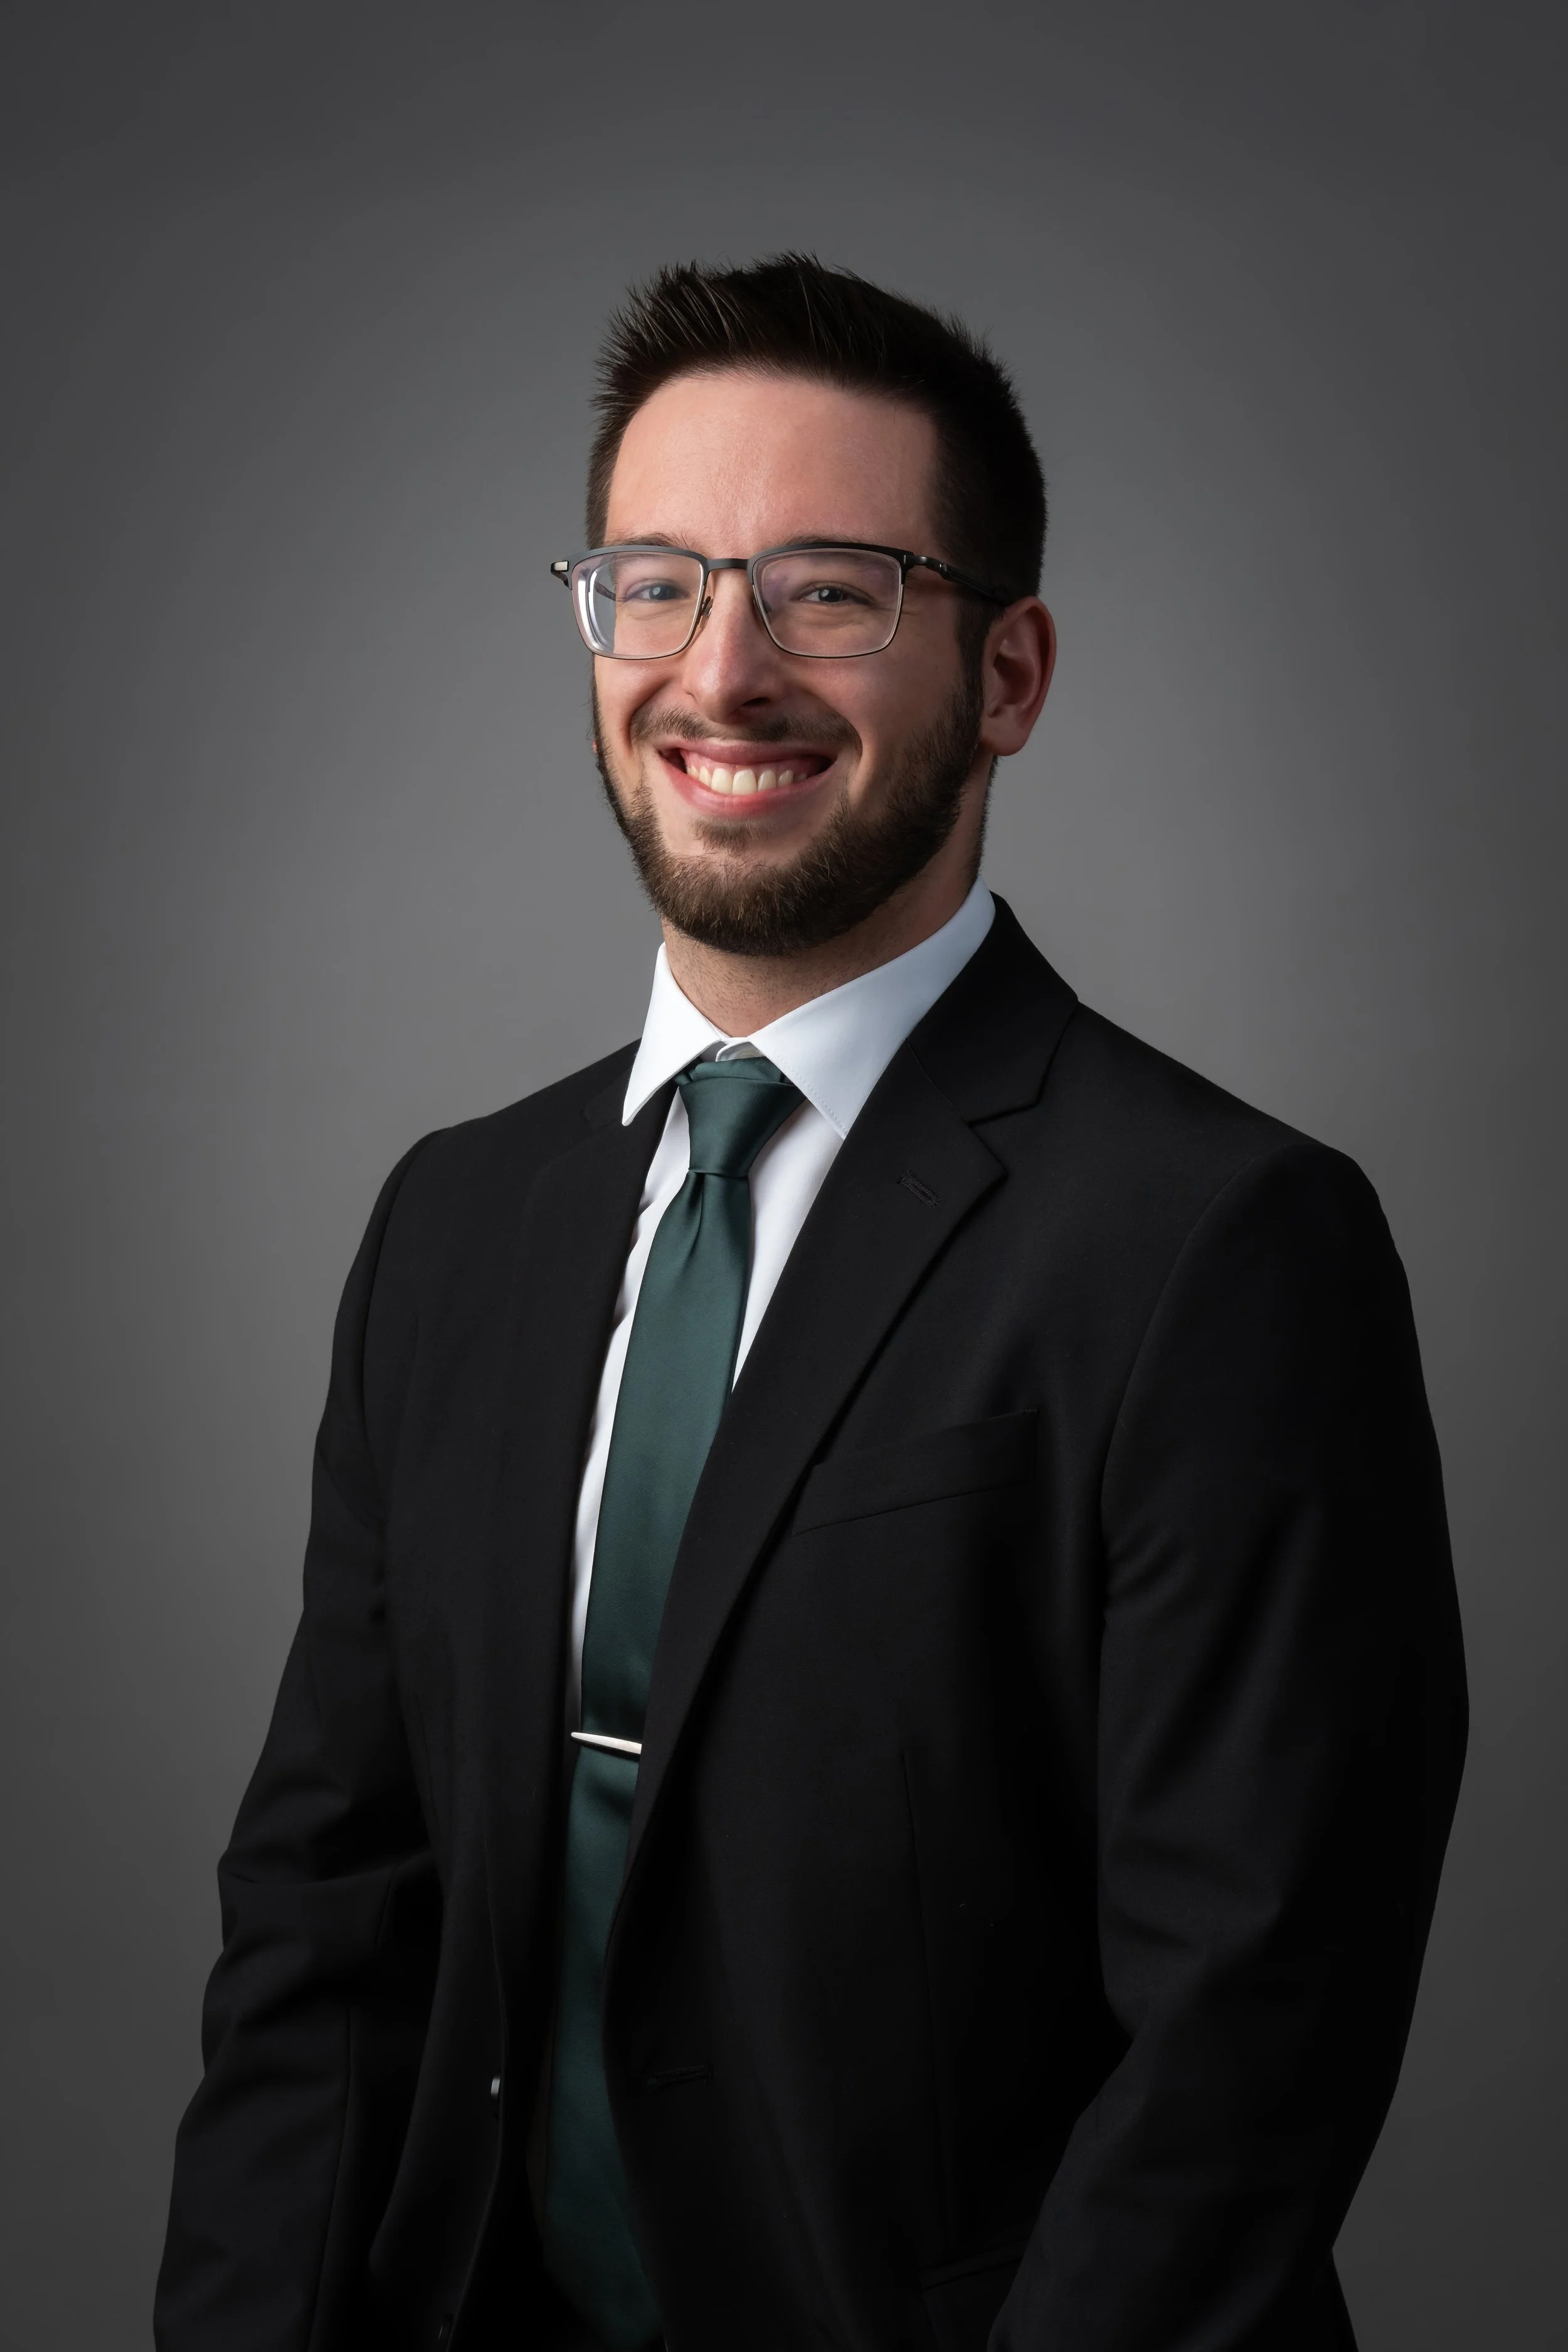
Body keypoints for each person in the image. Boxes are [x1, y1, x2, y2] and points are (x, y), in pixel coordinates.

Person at [154, 255, 1466, 2352]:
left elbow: (1247, 2043)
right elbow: (327, 1917)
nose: (721, 669)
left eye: (832, 589)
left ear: (1010, 670)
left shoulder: (1223, 1247)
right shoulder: (452, 1226)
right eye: (654, 582)